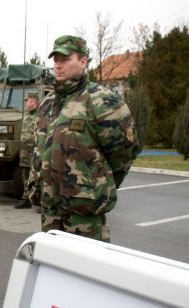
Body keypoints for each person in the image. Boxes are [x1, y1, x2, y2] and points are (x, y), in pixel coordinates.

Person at [29, 35, 138, 242]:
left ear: (83, 61)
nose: (58, 66)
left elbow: (123, 153)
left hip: (84, 212)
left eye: (65, 59)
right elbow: (39, 149)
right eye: (56, 60)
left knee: (85, 269)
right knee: (53, 268)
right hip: (50, 210)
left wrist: (98, 185)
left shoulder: (102, 101)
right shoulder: (48, 103)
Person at [15, 91, 40, 209]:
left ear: (34, 101)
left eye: (28, 100)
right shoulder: (27, 115)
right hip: (25, 149)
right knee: (25, 173)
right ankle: (26, 198)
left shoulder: (41, 114)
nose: (25, 103)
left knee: (38, 174)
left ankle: (40, 201)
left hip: (36, 149)